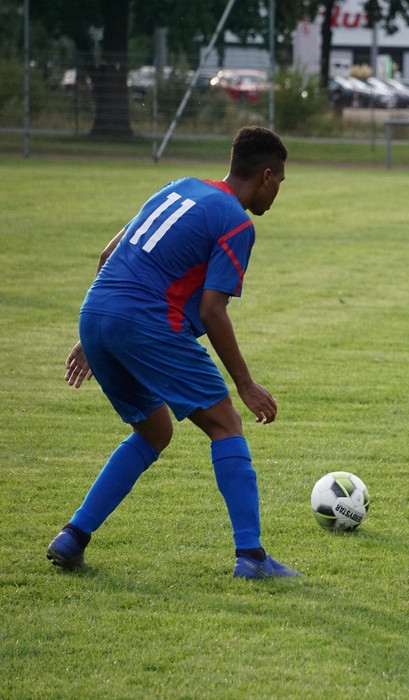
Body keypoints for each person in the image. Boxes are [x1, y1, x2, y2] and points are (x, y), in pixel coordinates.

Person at [47, 126, 301, 580]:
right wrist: (244, 383)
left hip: (98, 312)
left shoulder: (179, 187)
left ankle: (73, 535)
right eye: (280, 182)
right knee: (225, 423)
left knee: (154, 430)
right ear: (266, 175)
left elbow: (109, 255)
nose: (277, 193)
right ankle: (252, 558)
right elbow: (212, 309)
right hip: (146, 322)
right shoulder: (237, 222)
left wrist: (98, 333)